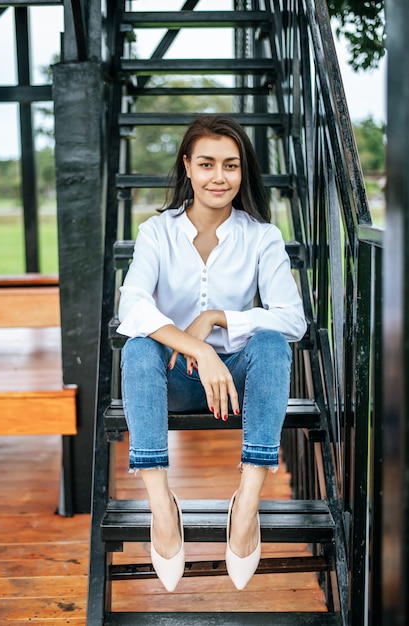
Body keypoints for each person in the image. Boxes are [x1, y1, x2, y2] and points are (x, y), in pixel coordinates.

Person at [117, 114, 307, 592]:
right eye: (206, 164)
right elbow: (132, 306)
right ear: (187, 167)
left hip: (241, 384)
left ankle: (247, 502)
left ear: (243, 173)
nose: (218, 177)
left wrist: (221, 318)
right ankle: (161, 502)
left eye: (231, 165)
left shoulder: (261, 236)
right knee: (139, 348)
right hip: (175, 384)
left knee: (270, 342)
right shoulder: (156, 232)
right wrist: (198, 348)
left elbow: (292, 318)